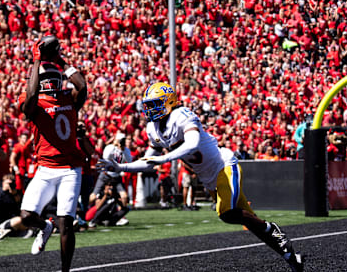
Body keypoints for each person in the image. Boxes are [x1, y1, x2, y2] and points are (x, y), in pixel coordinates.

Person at [99, 82, 304, 272]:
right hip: (211, 181)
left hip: (224, 166)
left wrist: (165, 159)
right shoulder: (153, 128)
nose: (149, 110)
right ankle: (292, 257)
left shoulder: (181, 115)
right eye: (148, 105)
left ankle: (272, 229)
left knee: (226, 213)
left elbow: (192, 143)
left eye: (154, 104)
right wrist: (121, 167)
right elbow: (148, 160)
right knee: (248, 220)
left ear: (168, 101)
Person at [17, 35, 89, 272]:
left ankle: (65, 270)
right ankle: (44, 227)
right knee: (27, 216)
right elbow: (30, 98)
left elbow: (83, 85)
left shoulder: (69, 98)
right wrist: (37, 63)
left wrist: (61, 60)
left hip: (70, 169)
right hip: (45, 168)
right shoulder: (34, 104)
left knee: (66, 224)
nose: (49, 81)